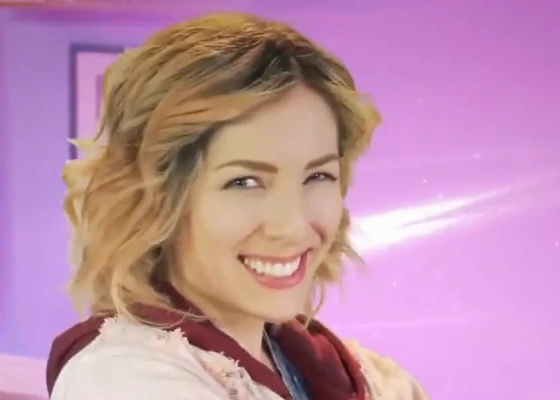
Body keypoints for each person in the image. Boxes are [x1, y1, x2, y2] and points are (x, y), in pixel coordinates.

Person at [46, 12, 428, 400]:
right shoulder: (125, 380)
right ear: (157, 197)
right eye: (244, 182)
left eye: (318, 176)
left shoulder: (341, 371)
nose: (292, 226)